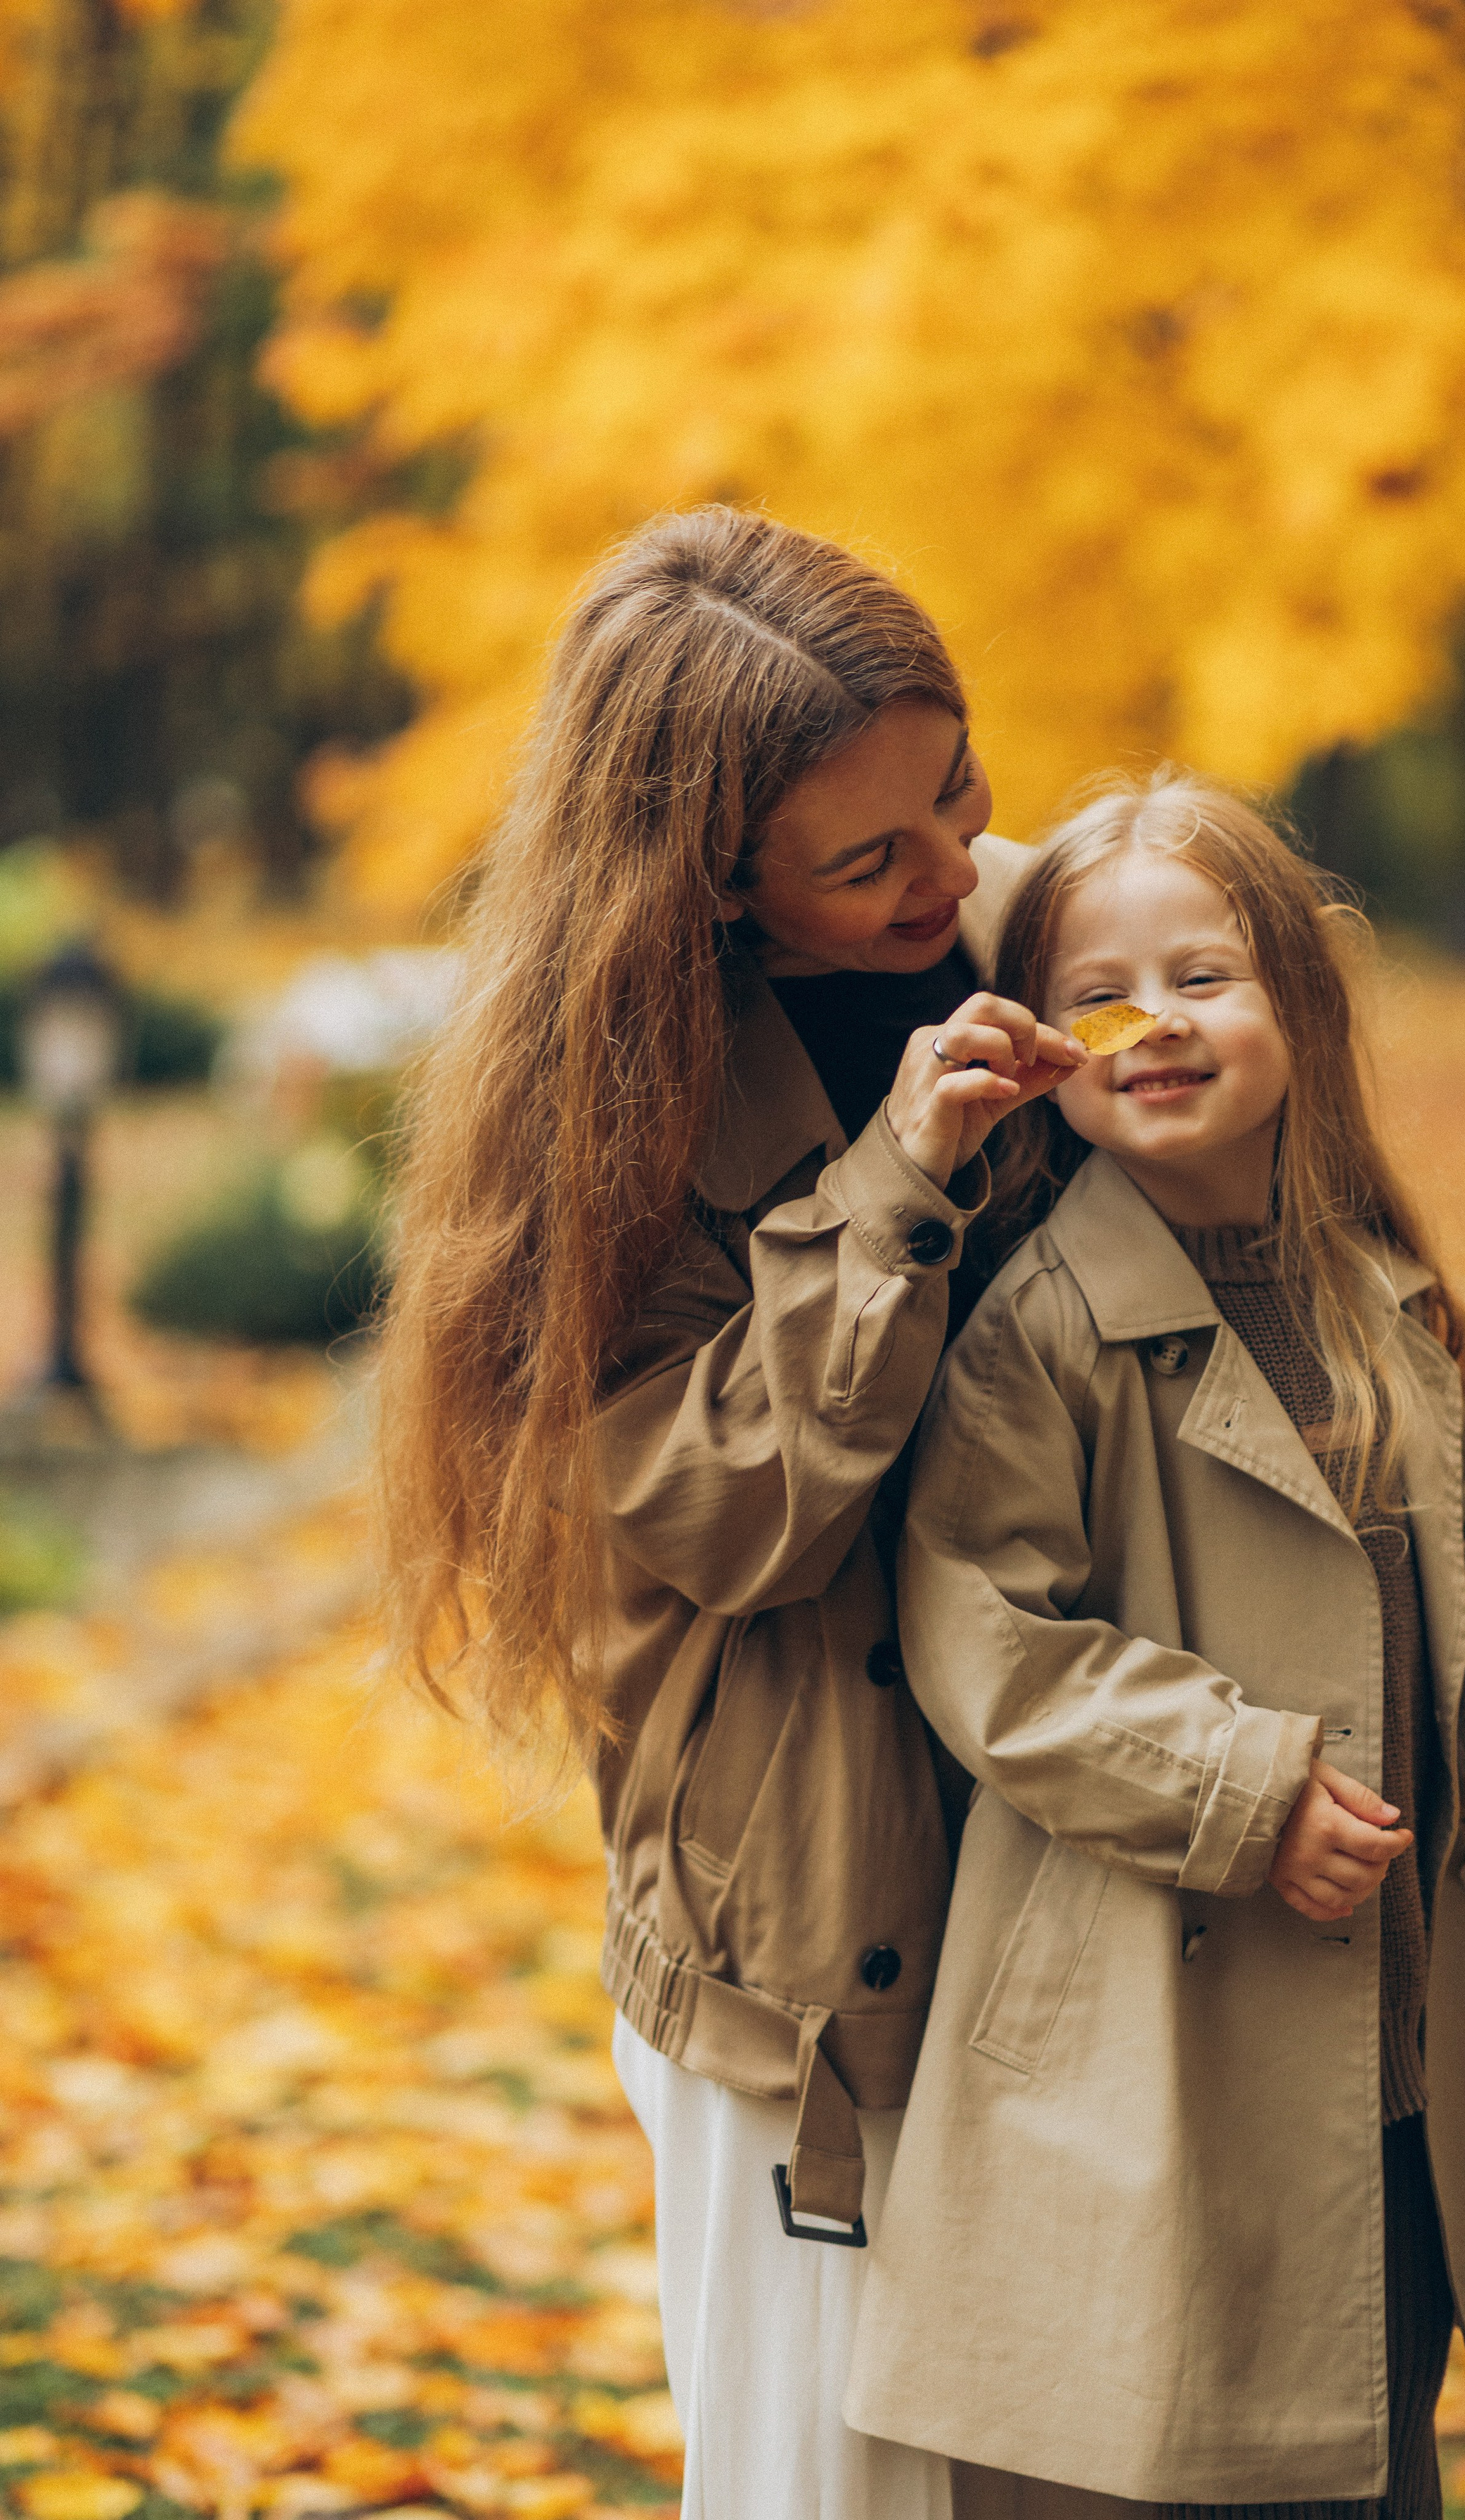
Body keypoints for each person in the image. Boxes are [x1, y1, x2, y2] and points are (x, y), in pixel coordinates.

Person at [373, 506, 1077, 2520]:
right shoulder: (602, 1110)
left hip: (1066, 1853)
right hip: (806, 1933)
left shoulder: (1032, 927)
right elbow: (727, 1511)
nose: (951, 877)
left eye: (958, 790)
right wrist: (896, 1190)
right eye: (871, 861)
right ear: (713, 887)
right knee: (830, 2475)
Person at [844, 774, 1465, 2519]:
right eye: (1100, 996)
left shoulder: (1367, 1290)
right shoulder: (1039, 1328)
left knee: (1359, 2396)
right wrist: (1239, 1786)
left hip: (1379, 2032)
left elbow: (1459, 1548)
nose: (1157, 1025)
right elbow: (986, 1637)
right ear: (1041, 1045)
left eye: (1202, 976)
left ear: (1300, 998)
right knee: (1166, 2425)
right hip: (1153, 2021)